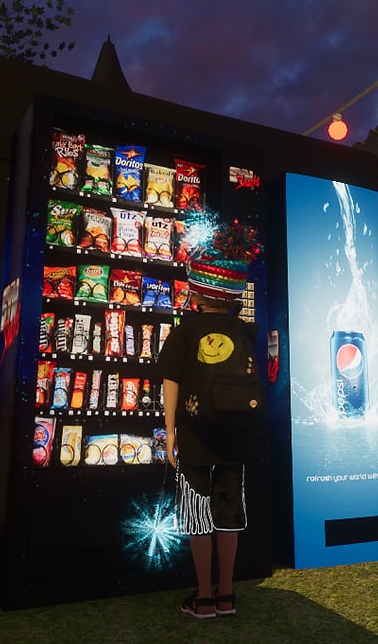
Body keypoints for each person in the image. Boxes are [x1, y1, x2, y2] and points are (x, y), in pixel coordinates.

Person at [157, 222, 261, 620]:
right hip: (237, 435)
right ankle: (227, 595)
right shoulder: (247, 332)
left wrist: (170, 431)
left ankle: (203, 597)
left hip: (194, 435)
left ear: (197, 290)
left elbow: (171, 382)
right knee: (230, 513)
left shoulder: (185, 331)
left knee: (197, 515)